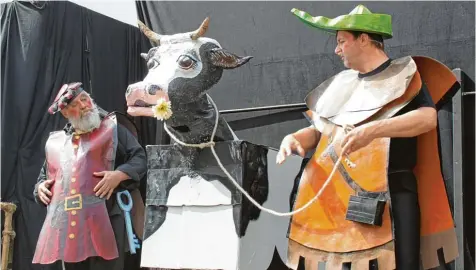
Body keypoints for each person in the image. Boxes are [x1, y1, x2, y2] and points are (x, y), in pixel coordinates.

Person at [278, 5, 457, 270]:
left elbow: (427, 118)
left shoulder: (404, 74)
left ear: (364, 39)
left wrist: (372, 130)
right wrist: (295, 139)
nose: (336, 50)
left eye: (341, 42)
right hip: (342, 202)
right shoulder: (339, 84)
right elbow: (320, 132)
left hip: (393, 195)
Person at [32, 82, 147, 270]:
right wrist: (40, 188)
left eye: (84, 100)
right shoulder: (58, 143)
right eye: (75, 106)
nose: (83, 106)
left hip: (108, 220)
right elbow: (44, 178)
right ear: (65, 114)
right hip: (70, 226)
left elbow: (139, 158)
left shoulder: (113, 128)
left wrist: (119, 174)